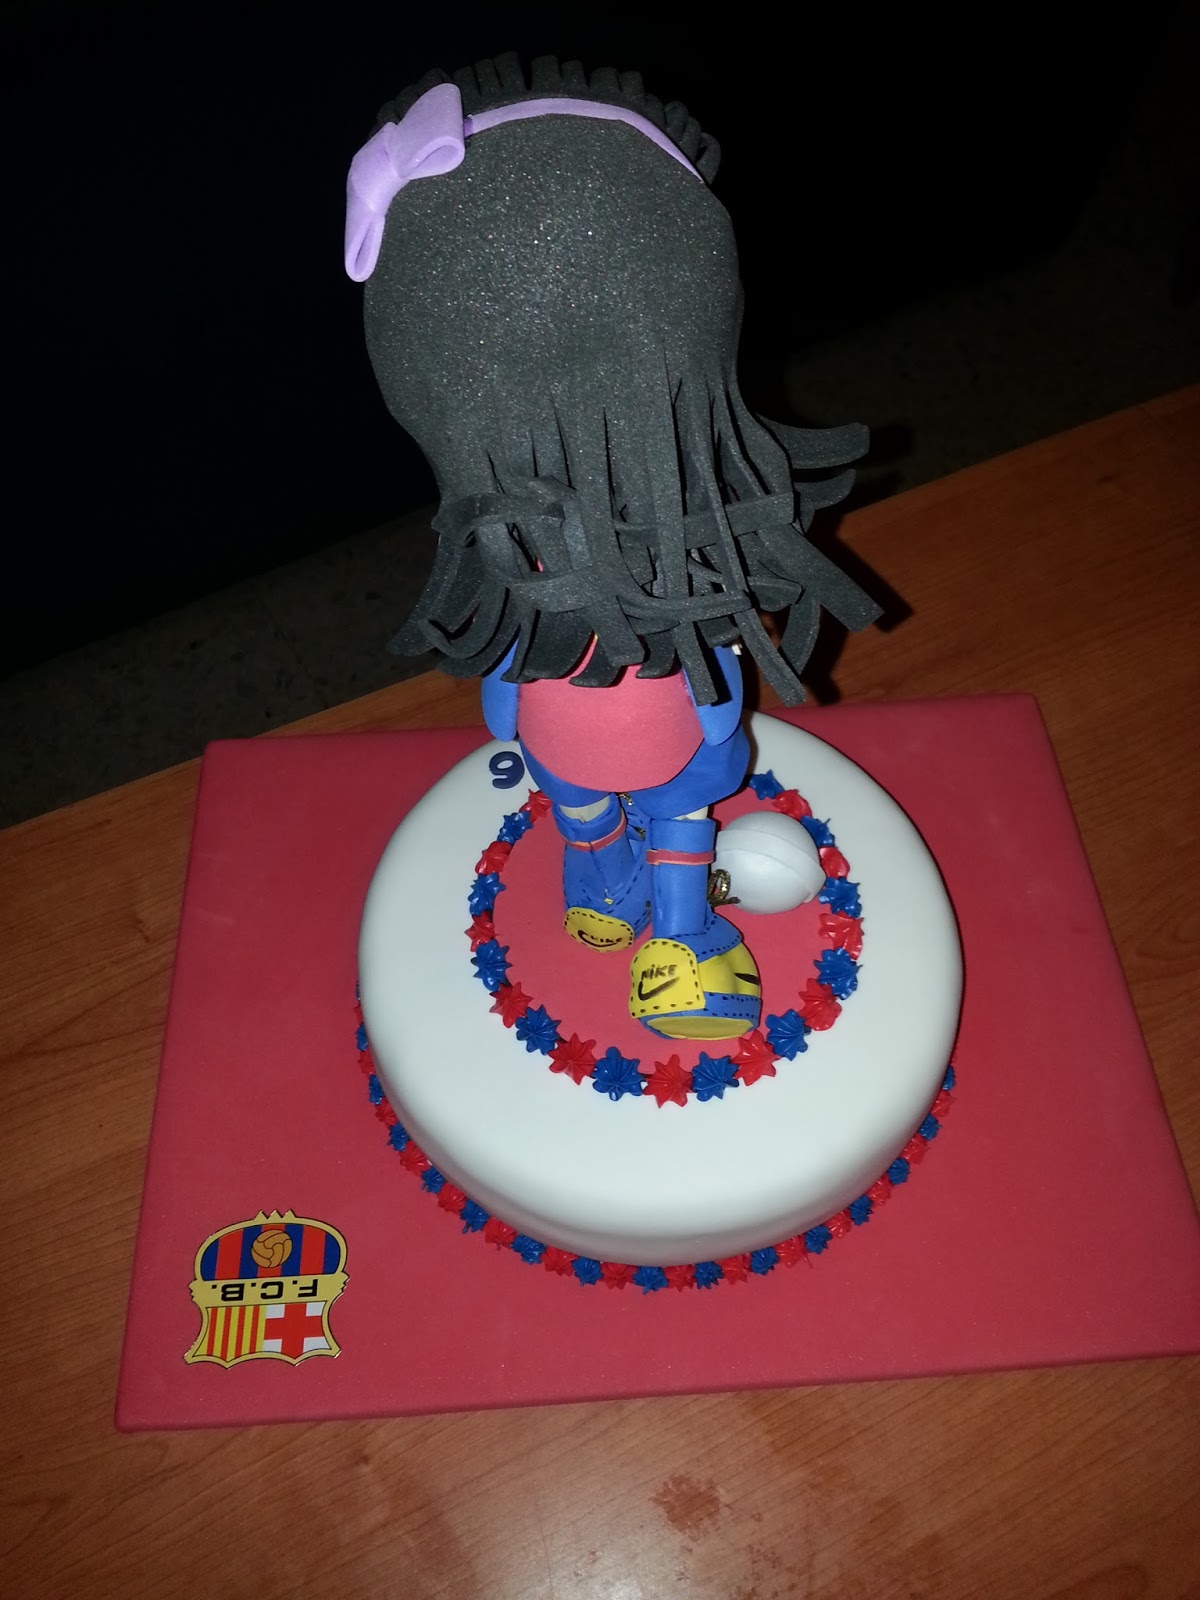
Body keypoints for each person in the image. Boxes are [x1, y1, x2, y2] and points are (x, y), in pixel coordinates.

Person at [346, 53, 880, 1037]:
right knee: (663, 812)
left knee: (603, 809)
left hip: (570, 746)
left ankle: (615, 896)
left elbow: (510, 690)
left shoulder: (539, 577)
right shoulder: (668, 577)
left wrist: (514, 702)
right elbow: (707, 689)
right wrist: (710, 710)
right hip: (646, 752)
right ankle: (667, 926)